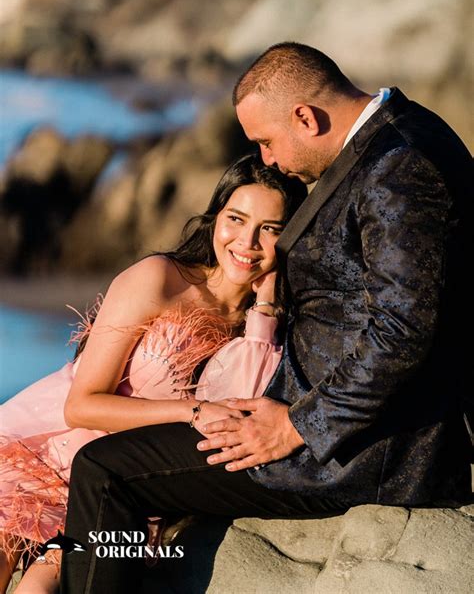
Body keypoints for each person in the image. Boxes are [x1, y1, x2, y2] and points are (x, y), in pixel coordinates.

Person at [60, 42, 473, 594]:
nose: (269, 160)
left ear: (306, 116)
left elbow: (403, 328)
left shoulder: (400, 166)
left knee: (105, 472)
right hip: (335, 420)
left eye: (266, 141)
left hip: (361, 451)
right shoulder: (398, 136)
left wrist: (296, 426)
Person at [0, 153, 307, 594]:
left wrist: (264, 309)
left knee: (40, 590)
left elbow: (242, 406)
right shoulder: (161, 279)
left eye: (271, 229)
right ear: (215, 218)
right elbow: (81, 403)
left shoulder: (269, 325)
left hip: (124, 490)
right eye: (236, 219)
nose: (248, 241)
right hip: (40, 449)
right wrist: (192, 410)